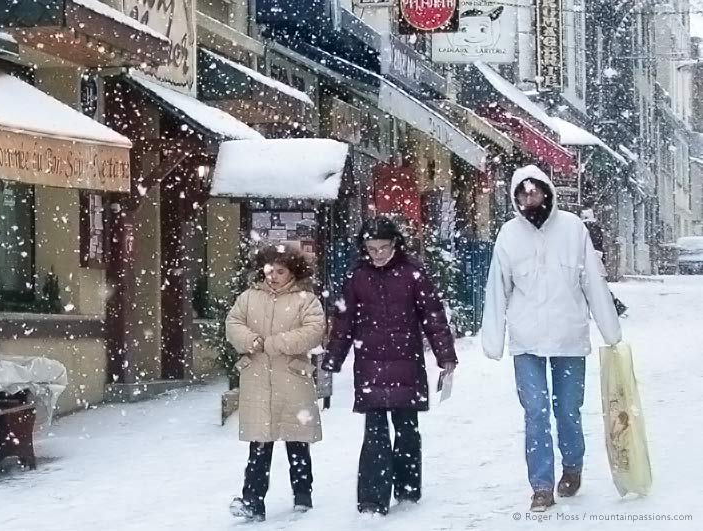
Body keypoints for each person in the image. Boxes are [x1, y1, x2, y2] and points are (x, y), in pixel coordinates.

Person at [480, 166, 623, 512]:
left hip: (569, 336)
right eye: (523, 194)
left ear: (547, 192)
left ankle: (573, 465)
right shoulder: (509, 236)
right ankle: (541, 485)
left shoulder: (573, 229)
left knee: (568, 410)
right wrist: (493, 338)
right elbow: (497, 287)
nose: (530, 198)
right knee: (535, 412)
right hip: (526, 339)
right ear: (516, 198)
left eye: (535, 191)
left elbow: (592, 280)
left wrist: (610, 331)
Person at [322, 216, 458, 516]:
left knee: (407, 428)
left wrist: (445, 356)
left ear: (395, 244)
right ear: (364, 248)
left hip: (406, 362)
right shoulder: (356, 277)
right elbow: (343, 322)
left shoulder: (413, 274)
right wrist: (332, 359)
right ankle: (372, 498)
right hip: (369, 363)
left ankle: (408, 488)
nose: (379, 254)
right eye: (372, 248)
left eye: (384, 247)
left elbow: (433, 317)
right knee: (375, 432)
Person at [225, 244, 326, 522]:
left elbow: (314, 331)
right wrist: (251, 341)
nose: (273, 276)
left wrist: (275, 344)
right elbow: (233, 324)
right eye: (269, 270)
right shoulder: (248, 298)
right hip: (257, 377)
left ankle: (303, 494)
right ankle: (253, 501)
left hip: (292, 377)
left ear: (293, 272)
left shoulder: (306, 300)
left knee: (297, 440)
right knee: (259, 444)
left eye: (280, 271)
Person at [581, 209, 628, 316]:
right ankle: (615, 306)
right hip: (596, 259)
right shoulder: (595, 228)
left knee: (593, 287)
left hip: (590, 260)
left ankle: (614, 306)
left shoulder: (586, 228)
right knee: (599, 287)